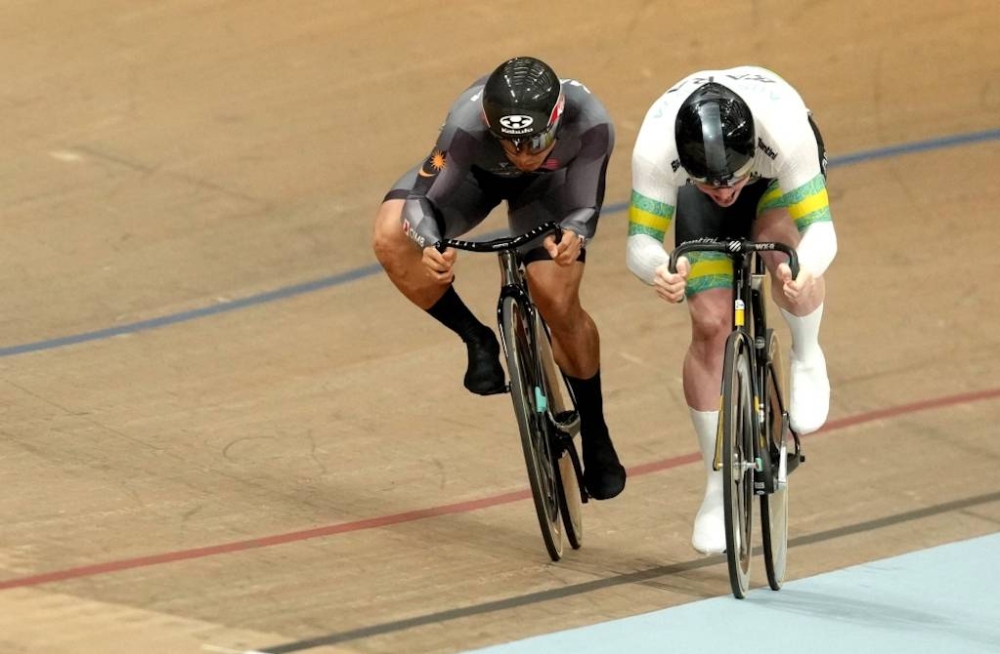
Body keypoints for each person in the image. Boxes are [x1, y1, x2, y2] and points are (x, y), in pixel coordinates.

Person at [373, 56, 626, 500]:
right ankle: (477, 338)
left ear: (557, 119)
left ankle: (597, 430)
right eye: (511, 144)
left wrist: (574, 232)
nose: (525, 155)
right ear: (491, 126)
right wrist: (431, 243)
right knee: (392, 235)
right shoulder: (465, 125)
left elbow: (585, 203)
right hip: (474, 182)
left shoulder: (591, 121)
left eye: (535, 141)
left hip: (550, 192)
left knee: (555, 298)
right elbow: (421, 199)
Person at [626, 66, 836, 553]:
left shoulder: (784, 133)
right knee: (710, 322)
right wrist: (660, 269)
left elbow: (824, 233)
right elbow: (640, 243)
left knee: (783, 257)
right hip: (705, 191)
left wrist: (804, 270)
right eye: (710, 182)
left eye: (730, 179)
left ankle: (807, 355)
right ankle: (718, 482)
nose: (723, 191)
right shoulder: (658, 150)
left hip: (774, 184)